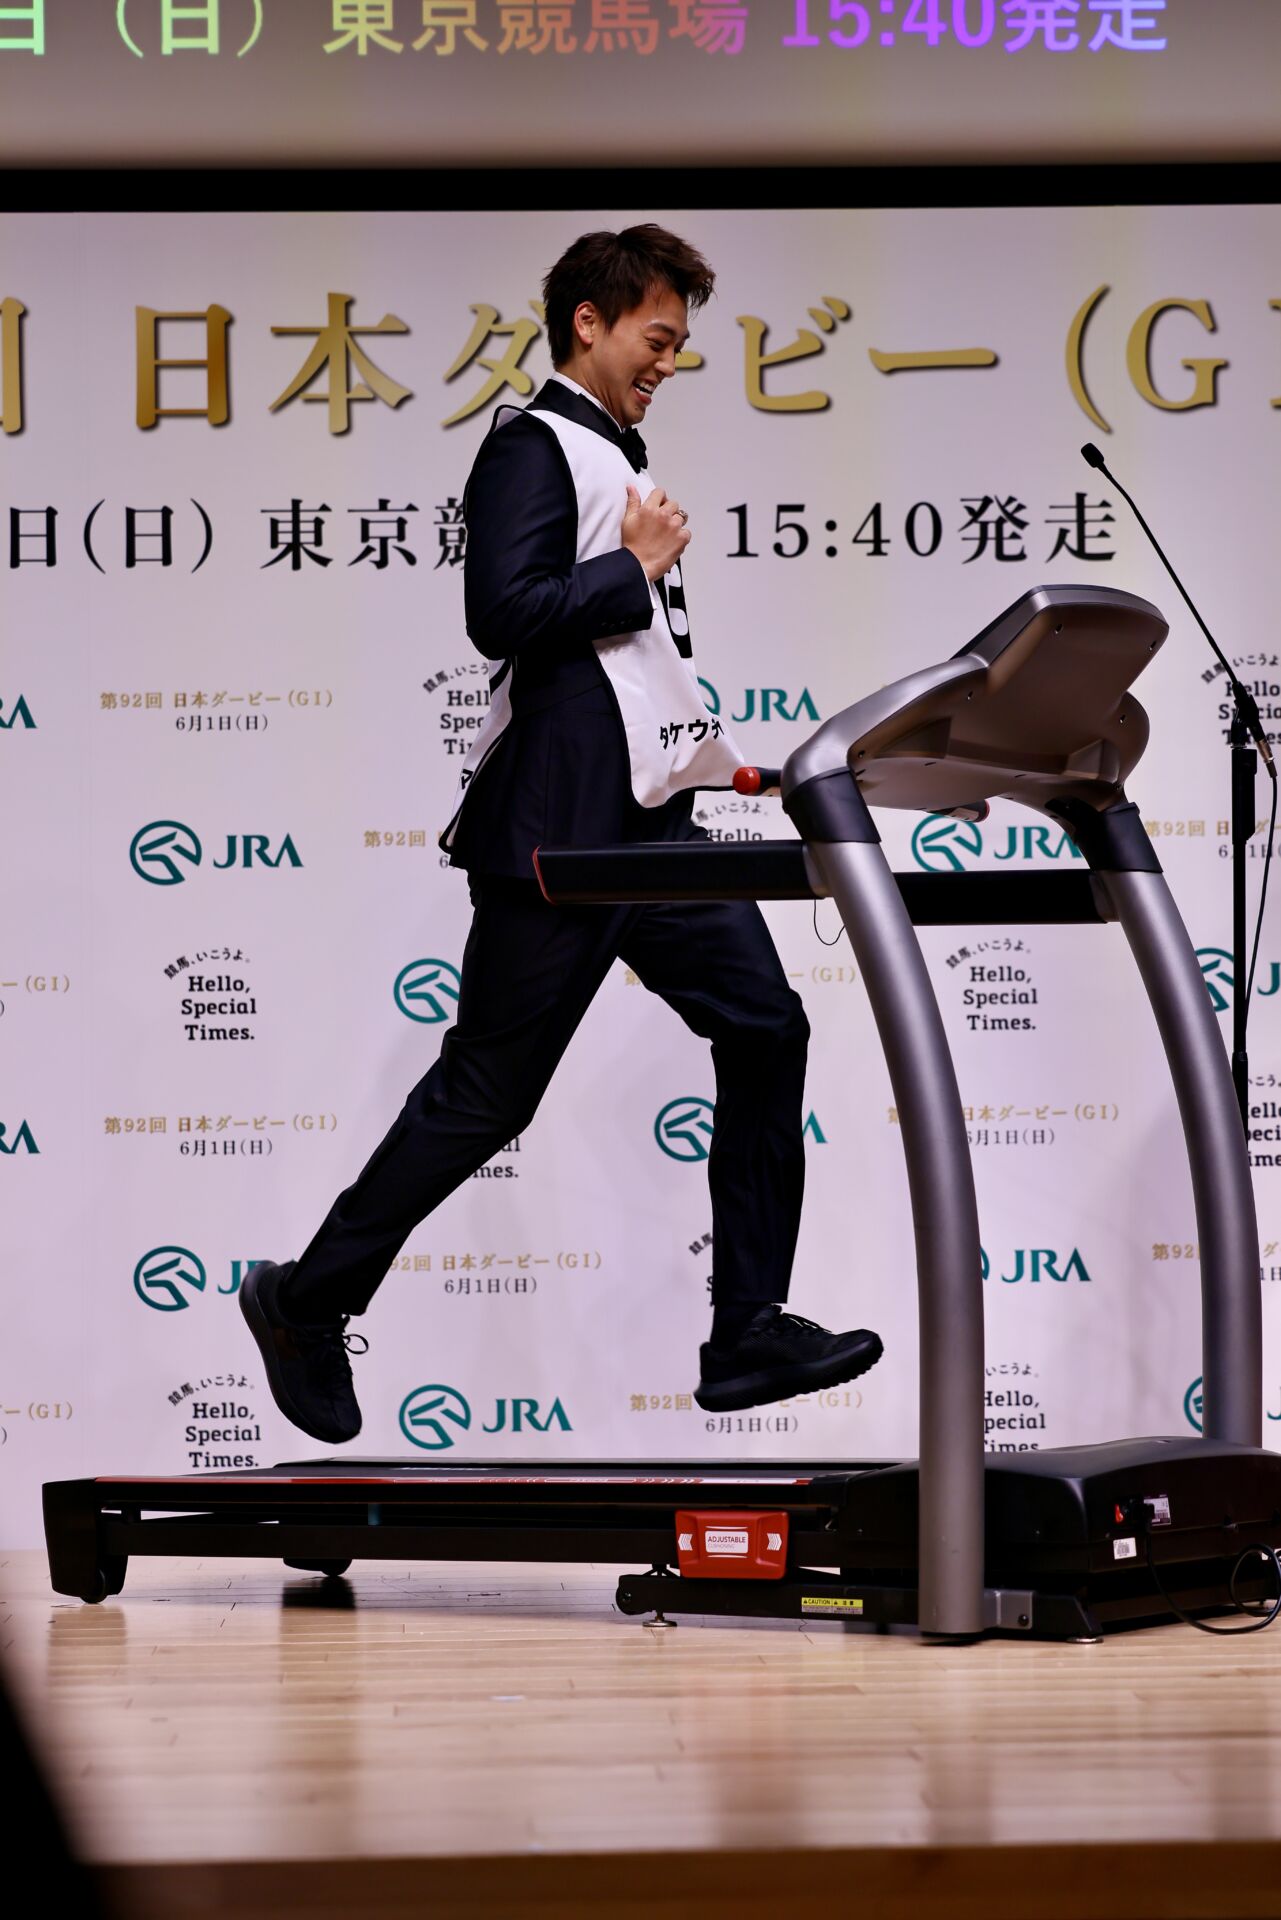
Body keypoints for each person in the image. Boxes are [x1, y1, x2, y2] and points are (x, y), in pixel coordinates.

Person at [240, 224, 883, 1445]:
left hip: (651, 828)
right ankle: (305, 1301)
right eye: (658, 339)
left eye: (679, 346)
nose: (670, 363)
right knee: (488, 1096)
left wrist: (696, 737)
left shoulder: (613, 455)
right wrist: (633, 568)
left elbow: (625, 672)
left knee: (767, 1027)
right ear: (589, 322)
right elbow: (502, 613)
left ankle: (747, 1327)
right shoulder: (530, 445)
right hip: (559, 837)